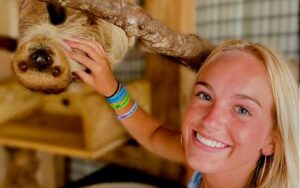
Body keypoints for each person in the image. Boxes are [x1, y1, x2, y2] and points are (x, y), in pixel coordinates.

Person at [64, 38, 299, 188]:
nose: (211, 121)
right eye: (205, 95)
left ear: (272, 141)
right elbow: (154, 134)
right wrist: (112, 89)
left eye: (242, 109)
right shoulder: (206, 154)